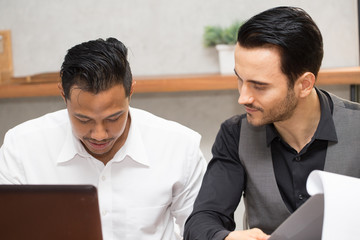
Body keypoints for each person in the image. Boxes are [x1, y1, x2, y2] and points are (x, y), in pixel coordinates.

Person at [0, 37, 207, 240]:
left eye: (113, 118)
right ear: (63, 95)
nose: (99, 134)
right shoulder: (22, 147)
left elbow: (202, 231)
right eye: (83, 119)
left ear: (131, 91)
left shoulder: (180, 147)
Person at [184, 6, 360, 240]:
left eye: (259, 86)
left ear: (305, 84)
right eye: (240, 79)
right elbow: (201, 221)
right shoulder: (234, 134)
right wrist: (224, 238)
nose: (243, 97)